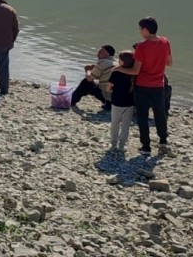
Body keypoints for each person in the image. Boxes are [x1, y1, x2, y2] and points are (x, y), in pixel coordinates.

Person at [116, 17, 173, 155]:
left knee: (142, 116)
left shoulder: (142, 46)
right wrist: (157, 62)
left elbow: (135, 70)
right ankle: (163, 141)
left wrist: (119, 69)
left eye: (140, 28)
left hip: (142, 85)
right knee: (160, 114)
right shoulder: (165, 41)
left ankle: (146, 146)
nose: (140, 31)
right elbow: (169, 63)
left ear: (146, 30)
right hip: (159, 84)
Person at [106, 50, 137, 152]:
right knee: (125, 125)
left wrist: (111, 89)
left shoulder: (116, 73)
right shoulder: (134, 74)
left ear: (122, 62)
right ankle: (122, 145)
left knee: (115, 123)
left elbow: (108, 88)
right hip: (129, 103)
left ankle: (114, 144)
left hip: (116, 102)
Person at [71, 45, 117, 111]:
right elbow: (103, 76)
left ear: (107, 54)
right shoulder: (117, 63)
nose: (97, 55)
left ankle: (71, 101)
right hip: (118, 100)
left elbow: (89, 79)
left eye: (100, 53)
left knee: (86, 82)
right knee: (98, 83)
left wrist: (88, 70)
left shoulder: (102, 62)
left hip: (109, 99)